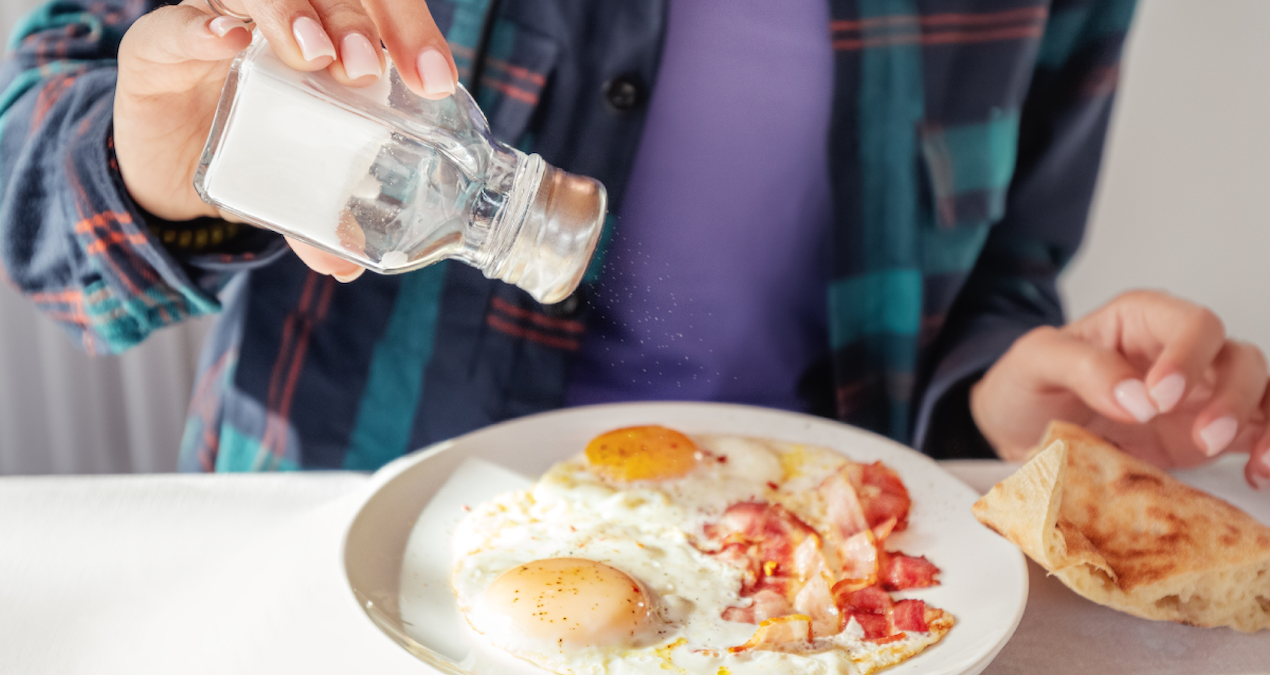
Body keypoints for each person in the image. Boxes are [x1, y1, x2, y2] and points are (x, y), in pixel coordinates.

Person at [0, 0, 1267, 488]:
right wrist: (157, 161)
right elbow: (39, 216)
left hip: (798, 559)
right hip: (343, 541)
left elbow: (1002, 269)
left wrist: (999, 392)